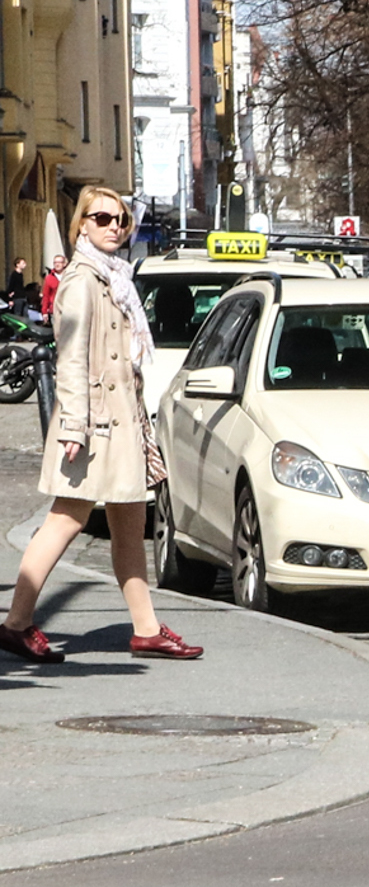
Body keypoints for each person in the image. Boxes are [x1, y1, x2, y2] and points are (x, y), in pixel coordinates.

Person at [1, 187, 202, 663]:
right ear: (82, 226)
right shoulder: (81, 281)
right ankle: (16, 623)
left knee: (130, 526)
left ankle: (147, 629)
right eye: (104, 218)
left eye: (122, 219)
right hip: (92, 426)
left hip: (122, 422)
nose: (115, 226)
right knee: (65, 519)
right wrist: (72, 425)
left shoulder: (115, 277)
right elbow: (71, 358)